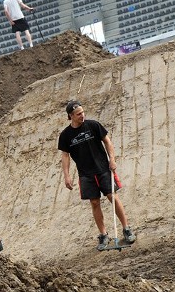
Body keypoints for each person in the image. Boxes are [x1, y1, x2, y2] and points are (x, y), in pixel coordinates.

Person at [58, 100, 136, 251]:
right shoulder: (65, 135)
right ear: (71, 116)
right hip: (85, 174)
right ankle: (103, 235)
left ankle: (126, 229)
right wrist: (67, 176)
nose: (82, 115)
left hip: (103, 169)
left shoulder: (93, 125)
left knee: (113, 197)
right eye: (79, 114)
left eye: (83, 112)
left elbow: (107, 141)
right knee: (94, 203)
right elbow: (65, 156)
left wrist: (112, 159)